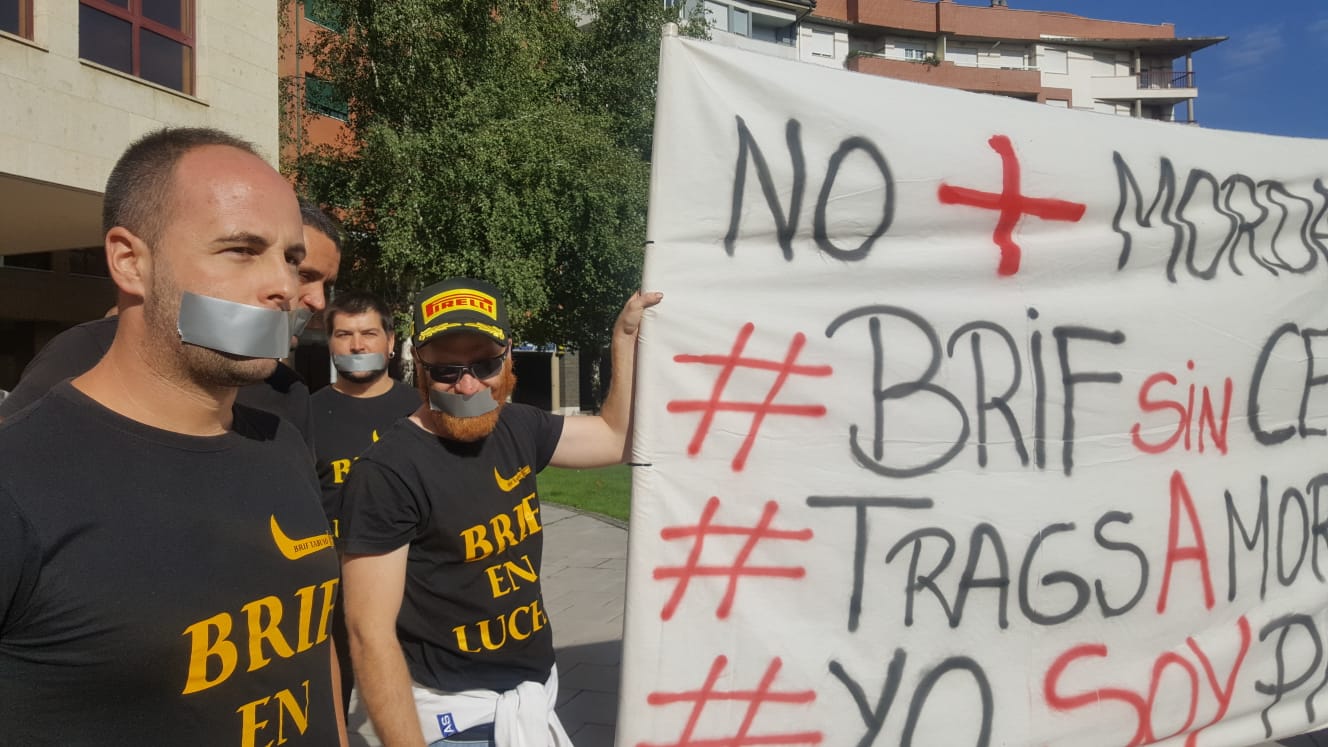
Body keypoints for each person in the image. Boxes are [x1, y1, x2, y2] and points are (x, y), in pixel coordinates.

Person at [0, 127, 346, 744]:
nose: (286, 289)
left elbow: (313, 656)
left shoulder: (282, 443)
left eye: (292, 258)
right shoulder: (18, 482)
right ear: (130, 261)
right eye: (242, 249)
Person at [338, 277, 661, 746]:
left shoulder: (517, 425)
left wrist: (624, 338)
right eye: (446, 370)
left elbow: (615, 439)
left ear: (508, 356)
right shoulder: (388, 470)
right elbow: (368, 634)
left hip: (533, 697)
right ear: (421, 368)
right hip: (457, 720)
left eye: (485, 364)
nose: (468, 385)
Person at [0, 197, 343, 444]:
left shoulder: (290, 391)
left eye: (326, 284)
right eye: (302, 271)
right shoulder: (85, 351)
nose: (317, 301)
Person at [309, 289, 421, 710]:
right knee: (331, 702)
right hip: (334, 590)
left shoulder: (421, 410)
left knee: (420, 702)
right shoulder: (304, 414)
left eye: (369, 333)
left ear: (391, 342)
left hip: (416, 586)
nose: (357, 345)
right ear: (330, 342)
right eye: (344, 334)